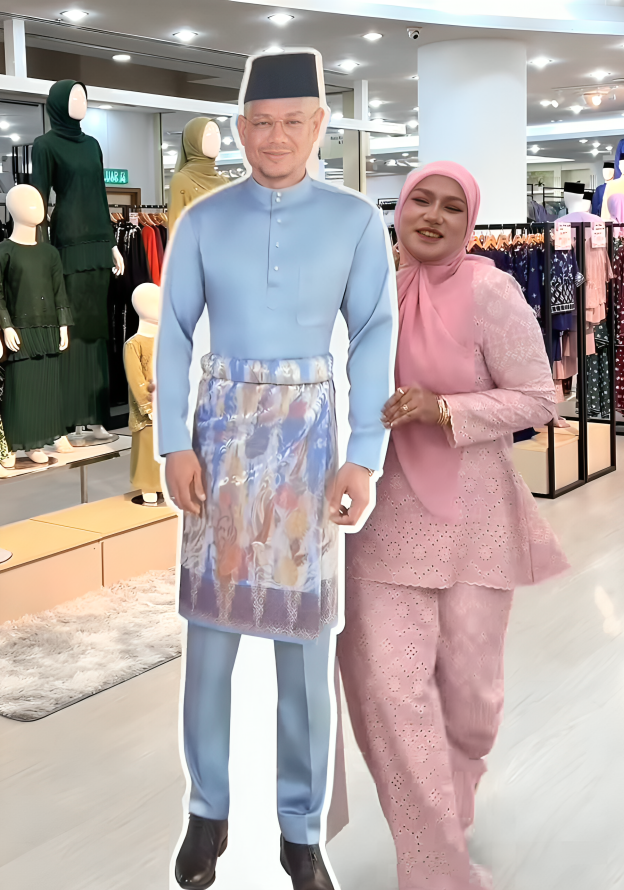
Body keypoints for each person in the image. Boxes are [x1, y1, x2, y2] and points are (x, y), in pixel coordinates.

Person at [156, 49, 395, 890]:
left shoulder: (355, 221)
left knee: (303, 650)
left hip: (307, 448)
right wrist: (172, 442)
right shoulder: (202, 220)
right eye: (260, 122)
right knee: (208, 645)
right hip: (219, 444)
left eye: (293, 121)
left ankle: (301, 829)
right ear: (239, 126)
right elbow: (174, 332)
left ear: (320, 124)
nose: (275, 137)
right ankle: (206, 810)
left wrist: (363, 455)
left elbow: (373, 333)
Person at [337, 162, 569, 890]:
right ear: (398, 210)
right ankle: (435, 865)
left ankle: (452, 801)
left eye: (450, 207)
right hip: (378, 521)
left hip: (474, 522)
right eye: (420, 201)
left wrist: (445, 410)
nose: (432, 217)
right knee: (390, 699)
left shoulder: (490, 291)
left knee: (470, 703)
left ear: (469, 224)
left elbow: (540, 398)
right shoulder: (366, 290)